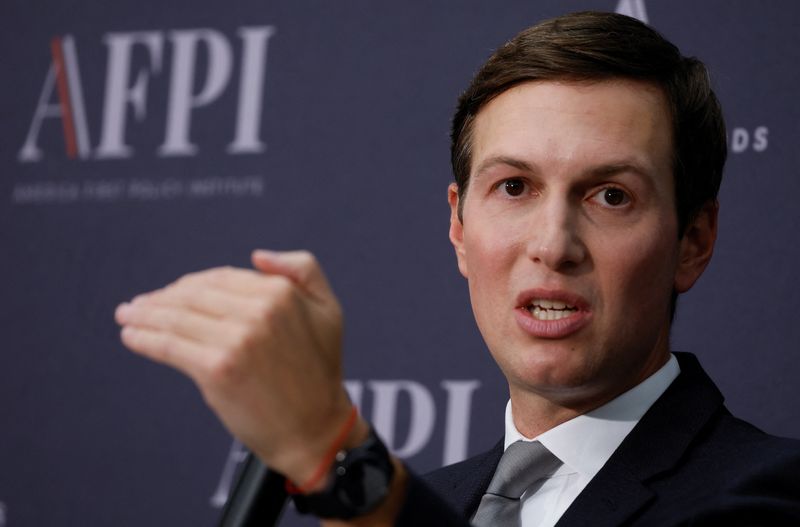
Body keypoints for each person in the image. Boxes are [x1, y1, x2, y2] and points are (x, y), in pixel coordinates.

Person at [114, 11, 800, 526]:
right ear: (459, 227)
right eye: (514, 187)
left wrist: (339, 455)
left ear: (693, 241)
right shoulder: (431, 501)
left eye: (610, 195)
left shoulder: (771, 491)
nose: (553, 242)